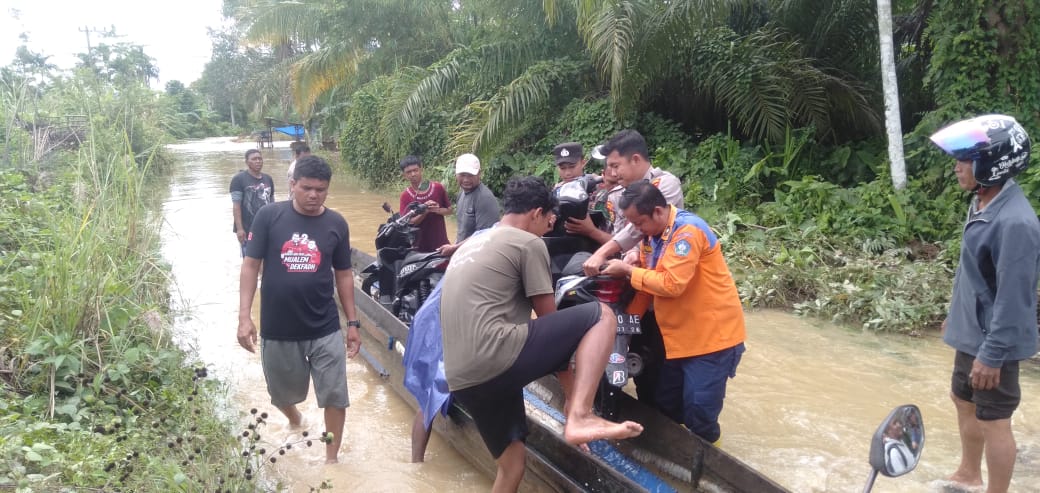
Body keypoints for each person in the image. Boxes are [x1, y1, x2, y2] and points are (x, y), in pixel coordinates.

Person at [440, 176, 643, 492]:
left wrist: (569, 394)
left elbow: (550, 341)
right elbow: (551, 323)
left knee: (512, 465)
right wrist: (575, 403)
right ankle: (583, 416)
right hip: (497, 356)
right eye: (549, 220)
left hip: (463, 378)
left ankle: (578, 415)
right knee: (601, 315)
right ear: (535, 212)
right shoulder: (527, 243)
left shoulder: (471, 244)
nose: (551, 228)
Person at [929, 114, 1040, 493]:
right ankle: (968, 473)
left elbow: (1014, 297)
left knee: (995, 419)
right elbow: (973, 275)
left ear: (993, 165)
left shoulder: (1015, 223)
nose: (957, 168)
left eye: (966, 161)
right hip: (971, 330)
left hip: (997, 339)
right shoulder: (982, 201)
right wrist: (954, 317)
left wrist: (993, 355)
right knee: (963, 399)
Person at [236, 155, 362, 464]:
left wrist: (353, 323)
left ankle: (332, 460)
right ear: (292, 185)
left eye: (321, 190)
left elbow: (344, 274)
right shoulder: (269, 217)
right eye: (306, 188)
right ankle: (294, 419)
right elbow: (251, 265)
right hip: (278, 327)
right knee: (280, 395)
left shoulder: (336, 223)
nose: (313, 195)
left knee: (334, 396)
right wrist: (243, 317)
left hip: (325, 326)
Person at [600, 181, 745, 445]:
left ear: (658, 211)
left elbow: (670, 284)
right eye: (632, 224)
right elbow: (645, 289)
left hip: (711, 339)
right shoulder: (652, 237)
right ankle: (674, 450)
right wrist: (624, 330)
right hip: (679, 339)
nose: (636, 229)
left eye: (639, 222)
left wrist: (628, 270)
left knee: (699, 411)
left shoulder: (687, 232)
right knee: (665, 401)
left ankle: (707, 457)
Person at [581, 129, 683, 275]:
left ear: (635, 159)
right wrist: (632, 252)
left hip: (669, 271)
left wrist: (601, 253)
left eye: (616, 166)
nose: (613, 174)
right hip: (637, 273)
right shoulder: (619, 194)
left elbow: (637, 228)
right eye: (610, 167)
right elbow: (621, 232)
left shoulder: (665, 184)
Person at [436, 153, 500, 256]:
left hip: (479, 257)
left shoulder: (484, 198)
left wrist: (455, 248)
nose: (466, 180)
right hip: (463, 253)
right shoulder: (462, 193)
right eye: (462, 175)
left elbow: (484, 235)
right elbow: (462, 229)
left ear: (479, 173)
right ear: (456, 174)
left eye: (470, 175)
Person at [563, 143, 624, 245]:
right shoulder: (598, 197)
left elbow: (627, 243)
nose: (617, 188)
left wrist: (591, 231)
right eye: (612, 183)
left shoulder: (631, 200)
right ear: (603, 176)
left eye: (620, 182)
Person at [398, 155, 451, 253]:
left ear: (421, 169)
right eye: (409, 172)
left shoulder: (438, 188)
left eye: (415, 170)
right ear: (404, 175)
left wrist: (437, 210)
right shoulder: (405, 196)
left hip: (441, 243)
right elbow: (408, 223)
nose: (413, 174)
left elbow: (449, 210)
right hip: (418, 247)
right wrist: (424, 212)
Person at [230, 149, 275, 256]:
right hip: (248, 227)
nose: (258, 161)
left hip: (266, 226)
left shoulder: (268, 178)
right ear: (247, 162)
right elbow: (236, 206)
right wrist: (240, 229)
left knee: (268, 258)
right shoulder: (238, 179)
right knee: (250, 260)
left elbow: (272, 202)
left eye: (260, 158)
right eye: (254, 159)